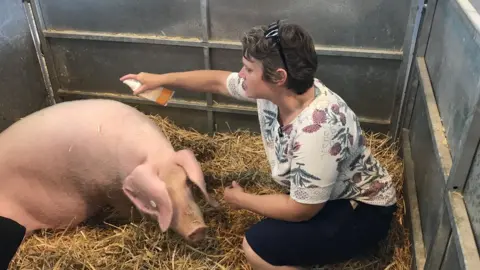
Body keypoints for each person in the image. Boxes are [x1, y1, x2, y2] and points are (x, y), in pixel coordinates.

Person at [120, 20, 397, 270]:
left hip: (362, 209)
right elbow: (217, 81)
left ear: (278, 77)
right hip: (330, 194)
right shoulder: (280, 92)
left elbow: (301, 210)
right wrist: (160, 79)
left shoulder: (317, 131)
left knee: (256, 248)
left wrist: (242, 200)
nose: (241, 74)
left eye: (248, 69)